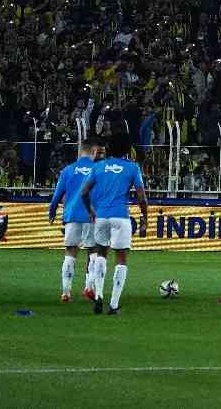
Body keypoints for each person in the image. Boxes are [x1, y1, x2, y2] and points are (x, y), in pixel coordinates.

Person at [78, 133, 149, 315]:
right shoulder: (132, 167)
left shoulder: (99, 166)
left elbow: (84, 192)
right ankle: (114, 305)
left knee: (101, 254)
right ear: (127, 150)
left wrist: (91, 212)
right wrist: (144, 219)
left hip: (101, 216)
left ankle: (99, 295)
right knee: (121, 259)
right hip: (120, 216)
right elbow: (142, 198)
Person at [47, 139, 100, 302]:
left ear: (80, 152)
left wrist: (52, 211)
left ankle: (66, 292)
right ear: (94, 152)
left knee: (70, 251)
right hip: (91, 216)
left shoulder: (68, 170)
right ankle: (89, 288)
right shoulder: (98, 169)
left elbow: (57, 195)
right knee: (93, 252)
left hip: (71, 215)